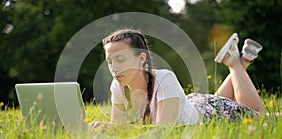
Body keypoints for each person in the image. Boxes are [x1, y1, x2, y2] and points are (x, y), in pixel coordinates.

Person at [93, 28, 265, 127]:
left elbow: (161, 131)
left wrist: (111, 128)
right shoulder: (117, 85)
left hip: (209, 113)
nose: (114, 68)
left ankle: (235, 62)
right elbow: (118, 128)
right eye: (109, 61)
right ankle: (244, 60)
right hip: (194, 103)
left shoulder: (164, 78)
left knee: (263, 117)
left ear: (141, 58)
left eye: (121, 59)